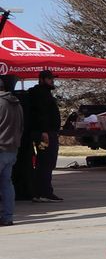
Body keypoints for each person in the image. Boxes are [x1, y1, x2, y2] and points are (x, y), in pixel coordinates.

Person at [26, 69, 62, 203]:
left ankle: (39, 191)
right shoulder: (40, 94)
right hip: (45, 135)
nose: (52, 81)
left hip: (46, 133)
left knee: (44, 161)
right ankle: (44, 192)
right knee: (47, 160)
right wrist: (44, 132)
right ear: (41, 80)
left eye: (52, 78)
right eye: (49, 79)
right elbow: (40, 115)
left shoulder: (44, 93)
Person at [0, 74, 22, 226]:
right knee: (7, 184)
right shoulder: (17, 104)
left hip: (1, 147)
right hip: (12, 148)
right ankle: (7, 216)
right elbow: (21, 127)